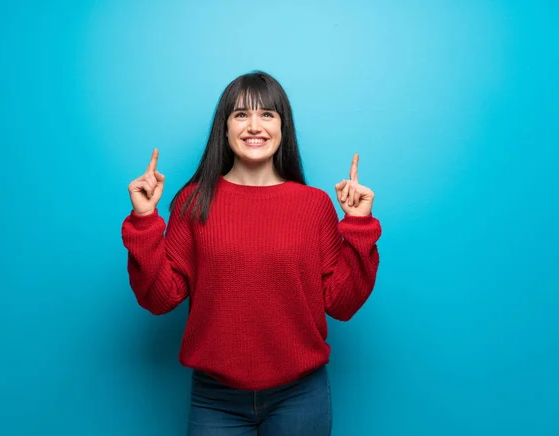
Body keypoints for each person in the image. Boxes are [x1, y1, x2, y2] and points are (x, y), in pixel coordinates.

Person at [121, 71, 382, 435]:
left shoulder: (314, 205)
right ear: (224, 129)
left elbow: (342, 304)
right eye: (241, 115)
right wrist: (145, 220)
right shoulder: (193, 202)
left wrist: (358, 225)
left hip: (300, 394)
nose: (254, 126)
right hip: (216, 398)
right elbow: (159, 298)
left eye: (267, 115)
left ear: (282, 127)